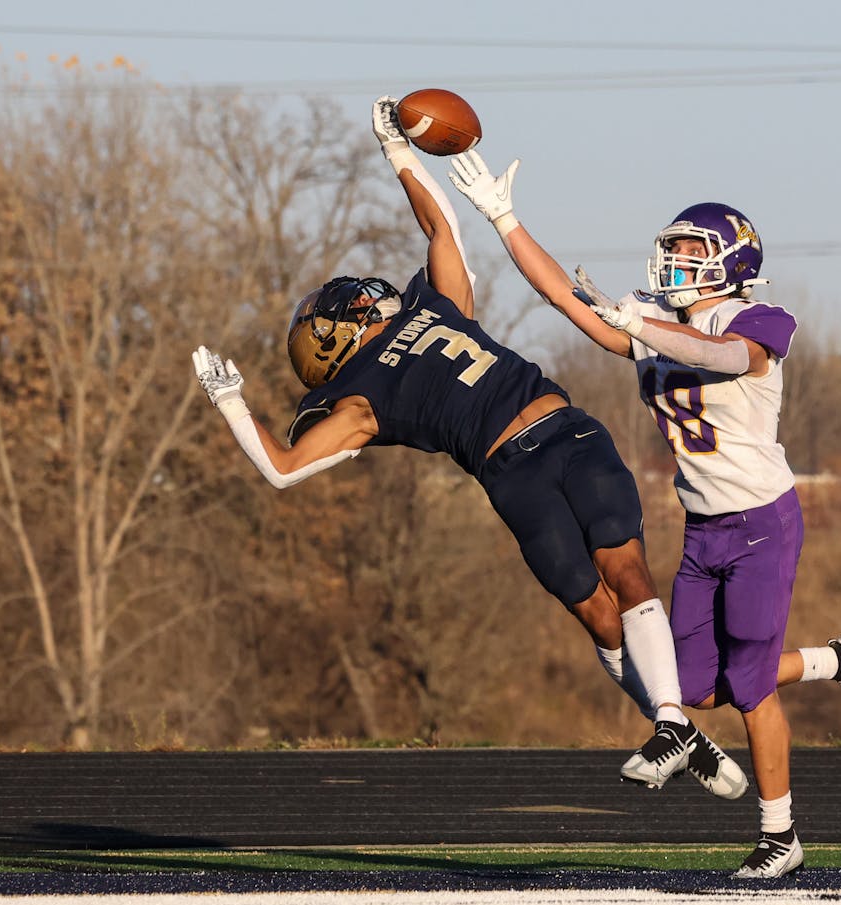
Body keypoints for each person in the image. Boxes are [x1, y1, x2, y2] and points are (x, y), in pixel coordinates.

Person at [191, 97, 747, 802]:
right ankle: (679, 733)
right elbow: (282, 468)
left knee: (627, 568)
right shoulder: (360, 398)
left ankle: (669, 721)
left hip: (567, 432)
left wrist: (398, 153)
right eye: (344, 306)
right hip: (511, 475)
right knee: (597, 615)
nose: (361, 297)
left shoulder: (435, 305)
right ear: (332, 341)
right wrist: (231, 401)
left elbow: (440, 226)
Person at [449, 149, 841, 879]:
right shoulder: (653, 319)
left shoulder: (755, 317)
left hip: (761, 523)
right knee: (690, 688)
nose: (676, 263)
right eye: (673, 250)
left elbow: (725, 358)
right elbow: (564, 299)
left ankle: (781, 835)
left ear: (732, 262)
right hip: (703, 527)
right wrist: (503, 219)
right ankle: (838, 657)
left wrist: (645, 329)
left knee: (747, 689)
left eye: (692, 252)